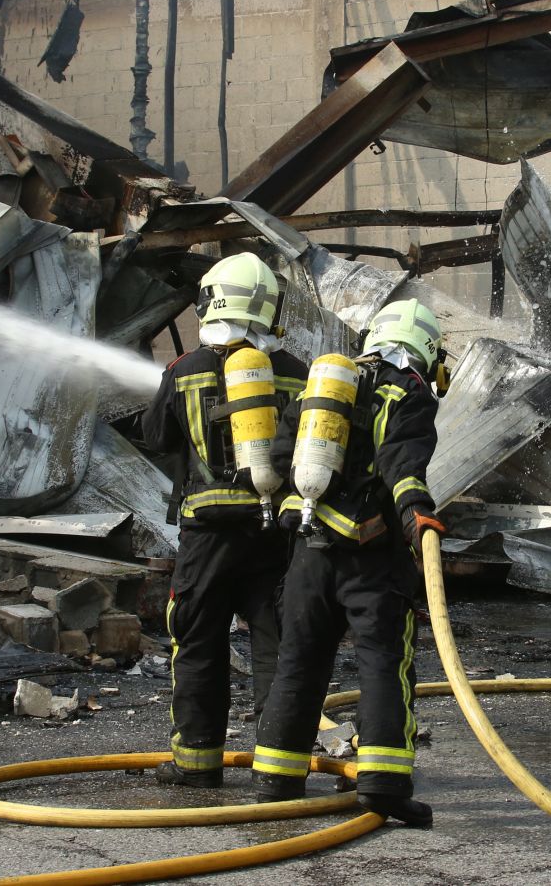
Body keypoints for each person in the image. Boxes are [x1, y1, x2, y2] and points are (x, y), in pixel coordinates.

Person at [249, 298, 448, 826]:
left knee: (298, 660)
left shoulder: (327, 383)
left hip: (308, 553)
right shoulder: (407, 390)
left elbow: (280, 455)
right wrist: (417, 514)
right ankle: (383, 785)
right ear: (427, 351)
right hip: (371, 558)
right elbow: (402, 460)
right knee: (384, 662)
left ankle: (276, 781)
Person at [142, 252, 309, 788]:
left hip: (207, 533)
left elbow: (156, 437)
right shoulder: (296, 372)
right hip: (274, 533)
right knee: (277, 648)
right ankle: (280, 772)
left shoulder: (183, 369)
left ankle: (196, 764)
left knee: (198, 642)